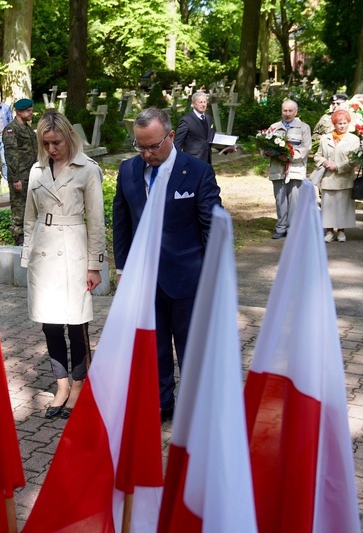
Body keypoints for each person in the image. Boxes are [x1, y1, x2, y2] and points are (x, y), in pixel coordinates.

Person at [112, 107, 221, 423]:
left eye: (153, 146)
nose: (146, 153)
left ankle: (194, 407)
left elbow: (212, 227)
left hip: (188, 278)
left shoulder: (197, 172)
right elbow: (122, 224)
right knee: (155, 347)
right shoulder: (128, 170)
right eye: (140, 146)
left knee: (191, 349)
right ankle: (163, 404)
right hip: (144, 280)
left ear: (171, 136)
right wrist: (122, 269)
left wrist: (213, 276)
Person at [21, 111, 106, 420]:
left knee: (76, 322)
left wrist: (95, 265)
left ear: (69, 137)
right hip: (43, 252)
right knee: (50, 323)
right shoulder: (37, 171)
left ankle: (81, 383)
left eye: (56, 142)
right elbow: (29, 217)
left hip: (74, 250)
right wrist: (26, 255)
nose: (52, 149)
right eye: (46, 143)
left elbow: (96, 220)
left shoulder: (87, 170)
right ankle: (61, 385)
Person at [263, 99, 311, 239]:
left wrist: (289, 157)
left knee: (294, 200)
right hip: (277, 169)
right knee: (280, 199)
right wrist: (267, 152)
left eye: (290, 111)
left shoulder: (304, 127)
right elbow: (264, 146)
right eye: (285, 111)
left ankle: (293, 229)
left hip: (295, 169)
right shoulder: (274, 127)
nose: (287, 114)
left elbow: (305, 148)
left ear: (296, 112)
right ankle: (281, 227)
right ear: (281, 111)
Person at [313, 109, 360, 243]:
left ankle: (341, 231)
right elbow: (317, 155)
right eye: (339, 123)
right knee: (328, 206)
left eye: (345, 123)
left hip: (344, 178)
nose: (342, 126)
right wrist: (325, 162)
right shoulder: (325, 138)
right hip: (327, 178)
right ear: (334, 124)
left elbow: (354, 160)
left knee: (343, 206)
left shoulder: (354, 139)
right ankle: (328, 231)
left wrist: (338, 167)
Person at [3, 98, 37, 245]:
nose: (31, 113)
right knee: (19, 207)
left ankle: (29, 234)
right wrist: (15, 178)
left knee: (30, 206)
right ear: (19, 111)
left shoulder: (27, 128)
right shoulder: (12, 129)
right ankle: (19, 236)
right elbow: (11, 155)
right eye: (28, 111)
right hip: (20, 175)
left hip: (31, 174)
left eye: (31, 110)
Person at [173, 91, 215, 163]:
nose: (203, 105)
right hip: (192, 160)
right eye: (200, 102)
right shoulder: (186, 120)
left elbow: (211, 139)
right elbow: (178, 143)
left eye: (204, 102)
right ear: (193, 104)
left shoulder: (209, 119)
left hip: (207, 161)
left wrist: (226, 148)